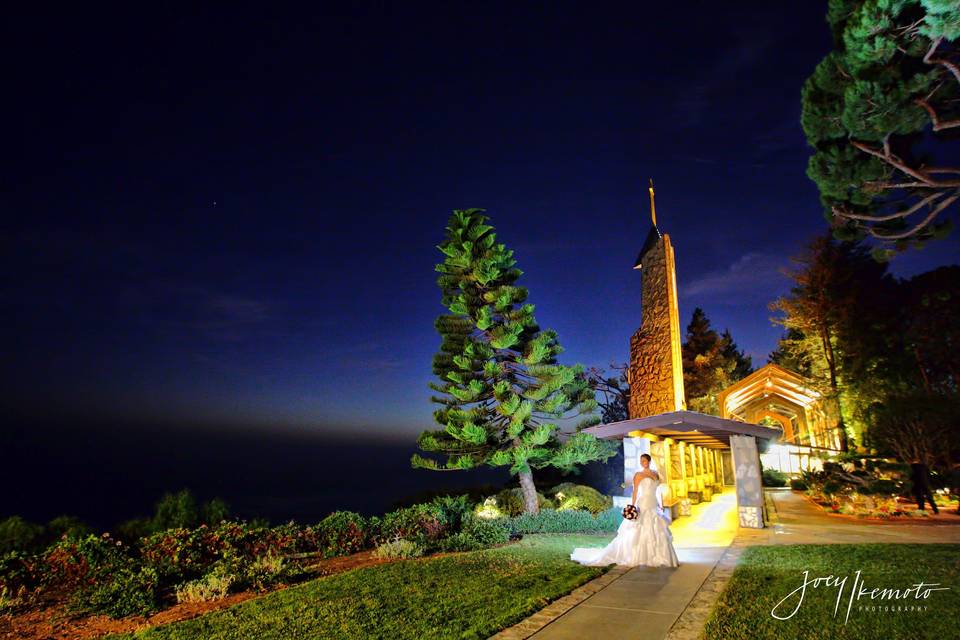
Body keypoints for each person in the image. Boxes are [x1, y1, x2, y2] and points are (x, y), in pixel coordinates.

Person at [570, 453, 679, 567]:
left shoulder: (656, 474)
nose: (642, 463)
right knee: (640, 528)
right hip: (643, 503)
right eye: (641, 461)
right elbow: (635, 492)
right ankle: (640, 556)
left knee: (657, 528)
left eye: (644, 461)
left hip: (653, 504)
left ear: (649, 461)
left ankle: (659, 556)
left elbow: (657, 491)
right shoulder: (638, 475)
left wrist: (660, 504)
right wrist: (632, 507)